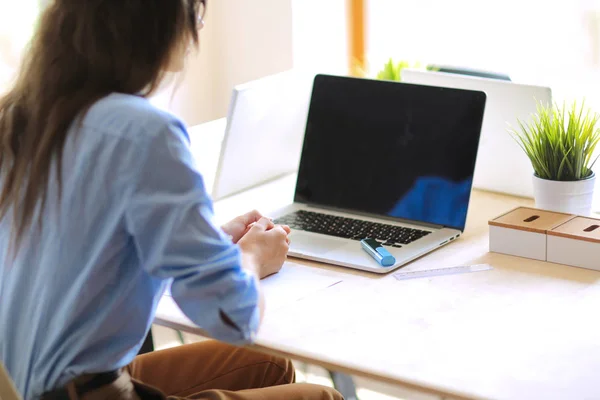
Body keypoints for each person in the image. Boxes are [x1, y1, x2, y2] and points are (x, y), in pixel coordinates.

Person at [0, 1, 343, 399]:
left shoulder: (21, 117)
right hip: (83, 391)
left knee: (269, 365)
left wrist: (207, 240)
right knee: (322, 397)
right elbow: (233, 316)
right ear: (157, 26)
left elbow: (88, 259)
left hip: (25, 381)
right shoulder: (145, 133)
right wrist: (249, 257)